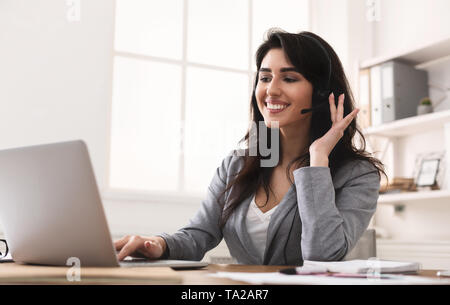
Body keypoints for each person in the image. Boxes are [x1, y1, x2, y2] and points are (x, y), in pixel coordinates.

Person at [114, 29, 385, 265]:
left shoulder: (358, 175)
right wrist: (158, 245)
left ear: (322, 94)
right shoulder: (240, 163)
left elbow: (322, 256)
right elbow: (200, 235)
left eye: (289, 79)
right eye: (265, 78)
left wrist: (318, 159)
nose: (271, 90)